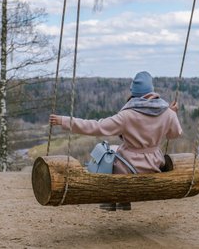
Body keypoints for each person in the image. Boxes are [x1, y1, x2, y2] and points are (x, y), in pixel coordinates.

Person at [49, 71, 182, 211]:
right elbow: (174, 134)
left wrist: (64, 121)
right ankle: (122, 201)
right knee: (114, 149)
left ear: (134, 93)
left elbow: (97, 127)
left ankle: (110, 198)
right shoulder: (167, 113)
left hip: (131, 167)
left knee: (106, 152)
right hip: (155, 164)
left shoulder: (127, 115)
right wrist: (172, 115)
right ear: (151, 91)